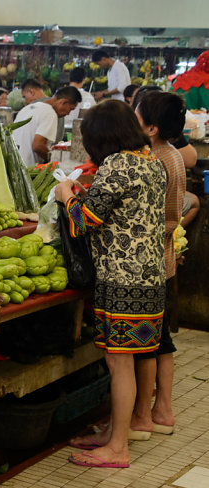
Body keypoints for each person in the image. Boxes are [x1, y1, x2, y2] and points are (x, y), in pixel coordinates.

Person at [60, 100, 166, 468]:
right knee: (120, 360)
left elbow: (85, 221)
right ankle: (114, 434)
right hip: (149, 278)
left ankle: (118, 447)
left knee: (119, 365)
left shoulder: (117, 165)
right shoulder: (150, 162)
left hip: (123, 281)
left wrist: (67, 197)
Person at [127, 91, 186, 440]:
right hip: (163, 263)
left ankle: (149, 413)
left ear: (151, 128)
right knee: (161, 340)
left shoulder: (158, 160)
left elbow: (167, 219)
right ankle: (162, 409)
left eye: (136, 115)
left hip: (152, 264)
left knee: (151, 343)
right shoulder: (171, 154)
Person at [12, 86, 81, 167]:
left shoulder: (26, 109)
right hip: (28, 169)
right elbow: (37, 146)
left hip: (14, 166)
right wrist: (55, 160)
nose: (68, 113)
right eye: (70, 109)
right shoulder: (50, 113)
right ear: (63, 102)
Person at [63, 67, 96, 131]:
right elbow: (94, 115)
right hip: (78, 131)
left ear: (69, 79)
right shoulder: (88, 96)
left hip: (61, 130)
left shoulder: (59, 94)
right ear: (83, 80)